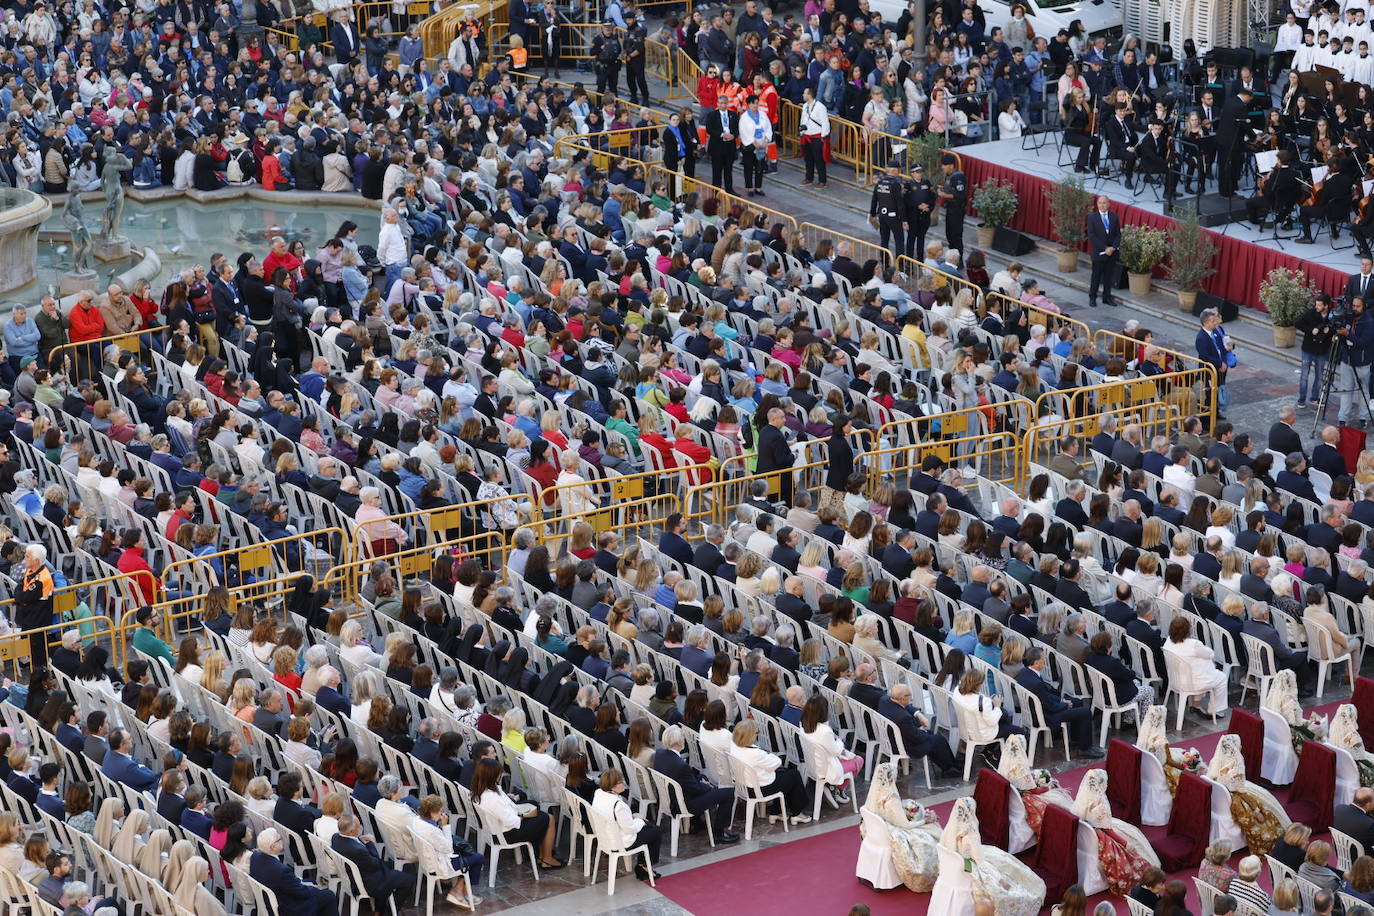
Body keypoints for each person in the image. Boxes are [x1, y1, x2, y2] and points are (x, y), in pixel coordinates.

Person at [929, 797, 1047, 916]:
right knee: (1007, 865)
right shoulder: (971, 835)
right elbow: (981, 862)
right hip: (968, 869)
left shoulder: (949, 831)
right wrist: (999, 879)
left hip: (951, 873)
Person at [1071, 769, 1161, 894]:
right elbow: (1108, 829)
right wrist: (1125, 844)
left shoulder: (1084, 797)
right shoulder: (1100, 804)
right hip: (1102, 833)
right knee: (1135, 840)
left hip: (1087, 833)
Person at [860, 761, 941, 891]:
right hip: (890, 834)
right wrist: (925, 821)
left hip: (873, 832)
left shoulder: (875, 792)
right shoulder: (891, 799)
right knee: (930, 837)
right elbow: (906, 826)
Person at [1206, 734, 1292, 856]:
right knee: (1269, 809)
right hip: (1237, 797)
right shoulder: (1236, 766)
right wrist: (1257, 811)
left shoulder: (1218, 762)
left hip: (1221, 798)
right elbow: (1242, 792)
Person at [997, 734, 1075, 839]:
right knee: (1056, 792)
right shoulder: (1020, 768)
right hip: (1023, 799)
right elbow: (1032, 788)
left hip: (1014, 794)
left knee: (1044, 776)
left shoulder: (1005, 762)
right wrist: (1047, 788)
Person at [249, 827, 339, 916]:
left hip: (269, 902)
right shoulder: (281, 870)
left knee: (312, 884)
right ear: (273, 847)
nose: (282, 840)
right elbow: (303, 893)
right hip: (288, 907)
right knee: (328, 895)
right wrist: (314, 888)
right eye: (279, 839)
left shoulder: (255, 857)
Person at [592, 769, 660, 881]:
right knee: (655, 831)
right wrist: (640, 820)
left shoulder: (598, 793)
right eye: (620, 782)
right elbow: (631, 829)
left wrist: (633, 816)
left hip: (605, 838)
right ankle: (645, 867)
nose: (624, 783)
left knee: (648, 827)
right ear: (612, 786)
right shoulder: (618, 805)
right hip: (620, 842)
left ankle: (643, 866)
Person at [1162, 616, 1228, 716]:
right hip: (1192, 683)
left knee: (1198, 665)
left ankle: (1197, 704)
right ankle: (1215, 711)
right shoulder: (1194, 644)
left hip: (1176, 680)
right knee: (1222, 678)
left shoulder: (1168, 641)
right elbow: (1210, 654)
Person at [1086, 195, 1120, 308]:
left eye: (1104, 203)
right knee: (1096, 276)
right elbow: (1092, 235)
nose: (1102, 205)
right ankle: (1092, 297)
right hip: (1099, 253)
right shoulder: (1092, 217)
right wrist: (1105, 248)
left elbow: (1118, 234)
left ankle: (1107, 297)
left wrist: (1113, 247)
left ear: (1109, 204)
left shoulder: (1114, 216)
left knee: (1108, 277)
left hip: (1112, 253)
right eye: (1100, 203)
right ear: (1097, 204)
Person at [1332, 704, 1374, 786]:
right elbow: (1362, 759)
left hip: (1340, 767)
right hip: (1354, 768)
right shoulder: (1354, 738)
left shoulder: (1334, 730)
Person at [936, 154, 968, 254]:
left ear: (951, 165)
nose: (942, 167)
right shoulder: (948, 176)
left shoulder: (958, 176)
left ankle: (959, 260)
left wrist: (944, 195)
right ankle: (952, 256)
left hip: (957, 209)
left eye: (944, 165)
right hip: (950, 208)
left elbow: (960, 195)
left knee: (956, 235)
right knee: (949, 234)